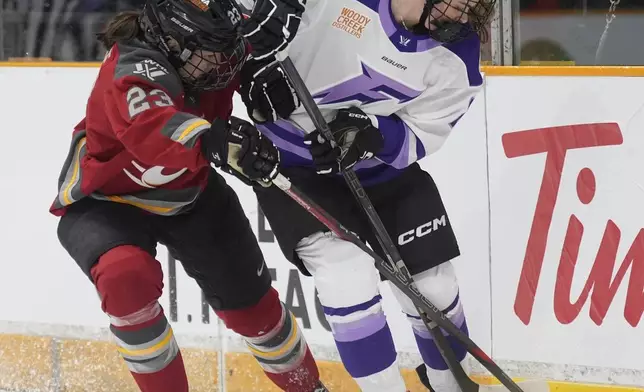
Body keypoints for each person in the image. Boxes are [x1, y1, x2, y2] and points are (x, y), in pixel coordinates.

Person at [49, 1, 328, 391]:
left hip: (192, 195)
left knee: (257, 312)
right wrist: (215, 141)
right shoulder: (131, 70)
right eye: (211, 49)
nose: (224, 60)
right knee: (124, 276)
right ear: (171, 42)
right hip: (108, 201)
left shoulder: (214, 47)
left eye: (228, 45)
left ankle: (310, 387)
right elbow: (153, 129)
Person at [237, 0, 495, 390]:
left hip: (379, 171)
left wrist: (373, 132)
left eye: (473, 7)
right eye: (459, 4)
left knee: (434, 289)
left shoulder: (459, 51)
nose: (463, 18)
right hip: (294, 166)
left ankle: (450, 385)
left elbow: (425, 132)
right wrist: (253, 60)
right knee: (346, 276)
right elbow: (227, 19)